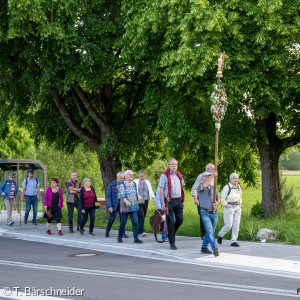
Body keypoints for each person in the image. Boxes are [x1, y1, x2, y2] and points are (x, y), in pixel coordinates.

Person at [159, 158, 185, 250]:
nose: (174, 166)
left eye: (175, 164)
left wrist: (183, 201)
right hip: (168, 201)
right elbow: (161, 190)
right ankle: (172, 243)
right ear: (169, 165)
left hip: (178, 200)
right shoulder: (164, 175)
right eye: (172, 164)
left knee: (180, 219)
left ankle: (171, 233)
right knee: (170, 221)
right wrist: (163, 203)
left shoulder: (180, 175)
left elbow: (182, 188)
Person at [197, 171, 221, 256]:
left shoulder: (213, 188)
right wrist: (212, 177)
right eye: (206, 176)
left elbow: (219, 198)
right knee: (210, 231)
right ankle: (215, 248)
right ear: (202, 178)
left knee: (210, 232)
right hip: (205, 212)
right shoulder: (200, 186)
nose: (208, 178)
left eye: (209, 176)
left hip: (214, 213)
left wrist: (217, 203)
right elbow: (204, 186)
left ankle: (204, 247)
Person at [191, 163, 217, 239]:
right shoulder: (202, 176)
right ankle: (203, 234)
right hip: (202, 198)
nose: (214, 170)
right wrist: (195, 198)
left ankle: (210, 233)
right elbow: (194, 188)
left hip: (210, 199)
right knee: (203, 215)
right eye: (212, 169)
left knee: (211, 215)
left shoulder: (214, 177)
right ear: (207, 169)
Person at [217, 173, 242, 247]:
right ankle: (220, 235)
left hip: (237, 207)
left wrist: (240, 202)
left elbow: (240, 196)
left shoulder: (238, 186)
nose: (236, 180)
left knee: (236, 225)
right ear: (230, 179)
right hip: (229, 207)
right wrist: (226, 205)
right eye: (234, 178)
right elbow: (222, 198)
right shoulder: (226, 187)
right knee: (228, 225)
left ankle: (234, 241)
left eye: (237, 178)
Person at [118, 170, 143, 244]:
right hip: (125, 206)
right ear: (126, 176)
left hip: (133, 205)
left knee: (135, 222)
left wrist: (138, 197)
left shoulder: (134, 184)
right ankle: (119, 236)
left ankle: (136, 239)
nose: (131, 176)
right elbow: (122, 194)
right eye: (130, 174)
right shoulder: (122, 184)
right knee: (123, 222)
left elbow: (135, 192)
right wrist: (126, 201)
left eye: (132, 174)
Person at [105, 172, 128, 238]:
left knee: (122, 219)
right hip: (114, 204)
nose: (122, 179)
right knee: (112, 219)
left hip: (122, 204)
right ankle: (107, 231)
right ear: (117, 177)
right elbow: (108, 196)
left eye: (123, 178)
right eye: (120, 178)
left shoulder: (124, 184)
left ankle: (122, 233)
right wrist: (109, 206)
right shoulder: (112, 184)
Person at [134, 170, 155, 237]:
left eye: (143, 176)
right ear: (138, 175)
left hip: (145, 200)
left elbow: (150, 190)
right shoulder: (135, 181)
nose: (141, 177)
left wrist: (153, 197)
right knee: (141, 215)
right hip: (138, 201)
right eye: (140, 176)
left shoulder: (147, 182)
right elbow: (134, 190)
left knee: (143, 216)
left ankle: (138, 230)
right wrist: (138, 197)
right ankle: (142, 231)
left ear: (145, 176)